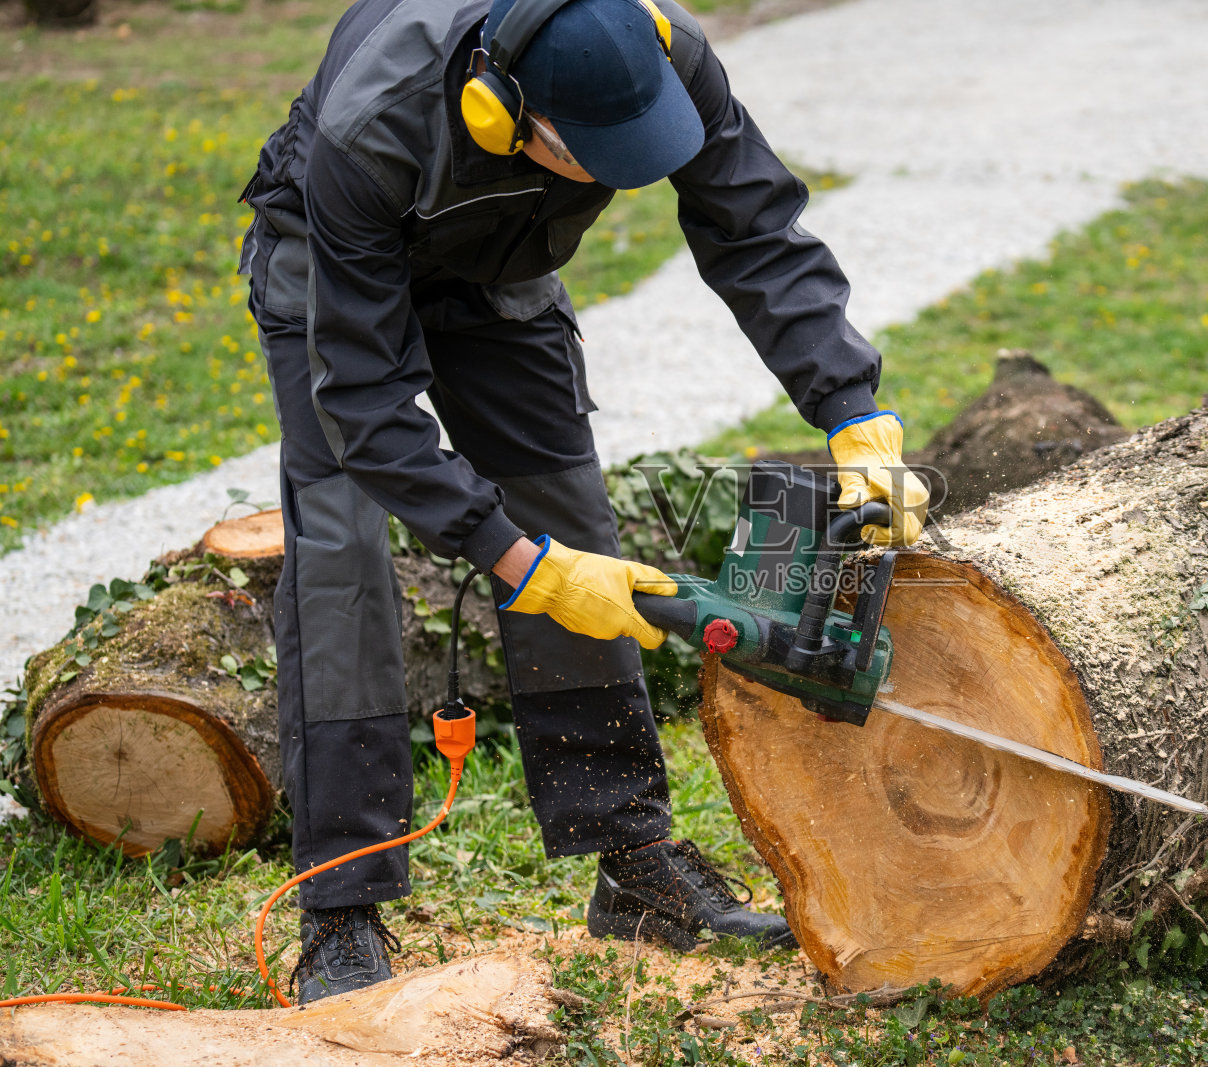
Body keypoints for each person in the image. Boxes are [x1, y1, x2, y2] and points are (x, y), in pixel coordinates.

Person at [239, 0, 929, 1004]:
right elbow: (366, 404)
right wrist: (517, 562)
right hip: (332, 268)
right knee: (342, 551)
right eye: (597, 154)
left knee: (573, 512)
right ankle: (340, 905)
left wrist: (851, 411)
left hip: (501, 273)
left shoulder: (664, 51)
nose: (619, 175)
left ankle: (632, 859)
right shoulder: (371, 125)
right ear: (500, 112)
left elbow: (756, 232)